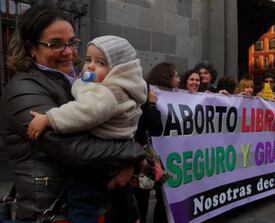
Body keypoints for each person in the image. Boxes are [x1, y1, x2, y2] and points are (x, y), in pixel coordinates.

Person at [0, 5, 146, 222]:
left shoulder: (77, 81)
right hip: (53, 210)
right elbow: (76, 149)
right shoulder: (23, 89)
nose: (68, 51)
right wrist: (135, 153)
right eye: (55, 44)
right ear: (31, 48)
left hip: (92, 202)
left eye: (71, 42)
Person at [134, 62, 179, 223]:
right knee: (139, 200)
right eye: (176, 75)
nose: (179, 79)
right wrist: (151, 104)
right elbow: (156, 127)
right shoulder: (147, 100)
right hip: (136, 157)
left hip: (136, 156)